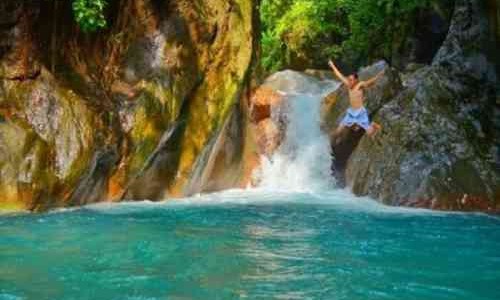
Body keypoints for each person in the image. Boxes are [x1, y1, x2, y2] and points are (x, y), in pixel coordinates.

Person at [328, 60, 383, 137]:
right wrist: (332, 65)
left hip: (360, 113)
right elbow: (339, 75)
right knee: (338, 131)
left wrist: (378, 76)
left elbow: (369, 82)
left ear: (356, 80)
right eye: (349, 79)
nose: (349, 81)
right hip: (351, 113)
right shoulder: (348, 84)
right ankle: (354, 126)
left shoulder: (360, 85)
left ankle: (372, 124)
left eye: (351, 80)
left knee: (370, 133)